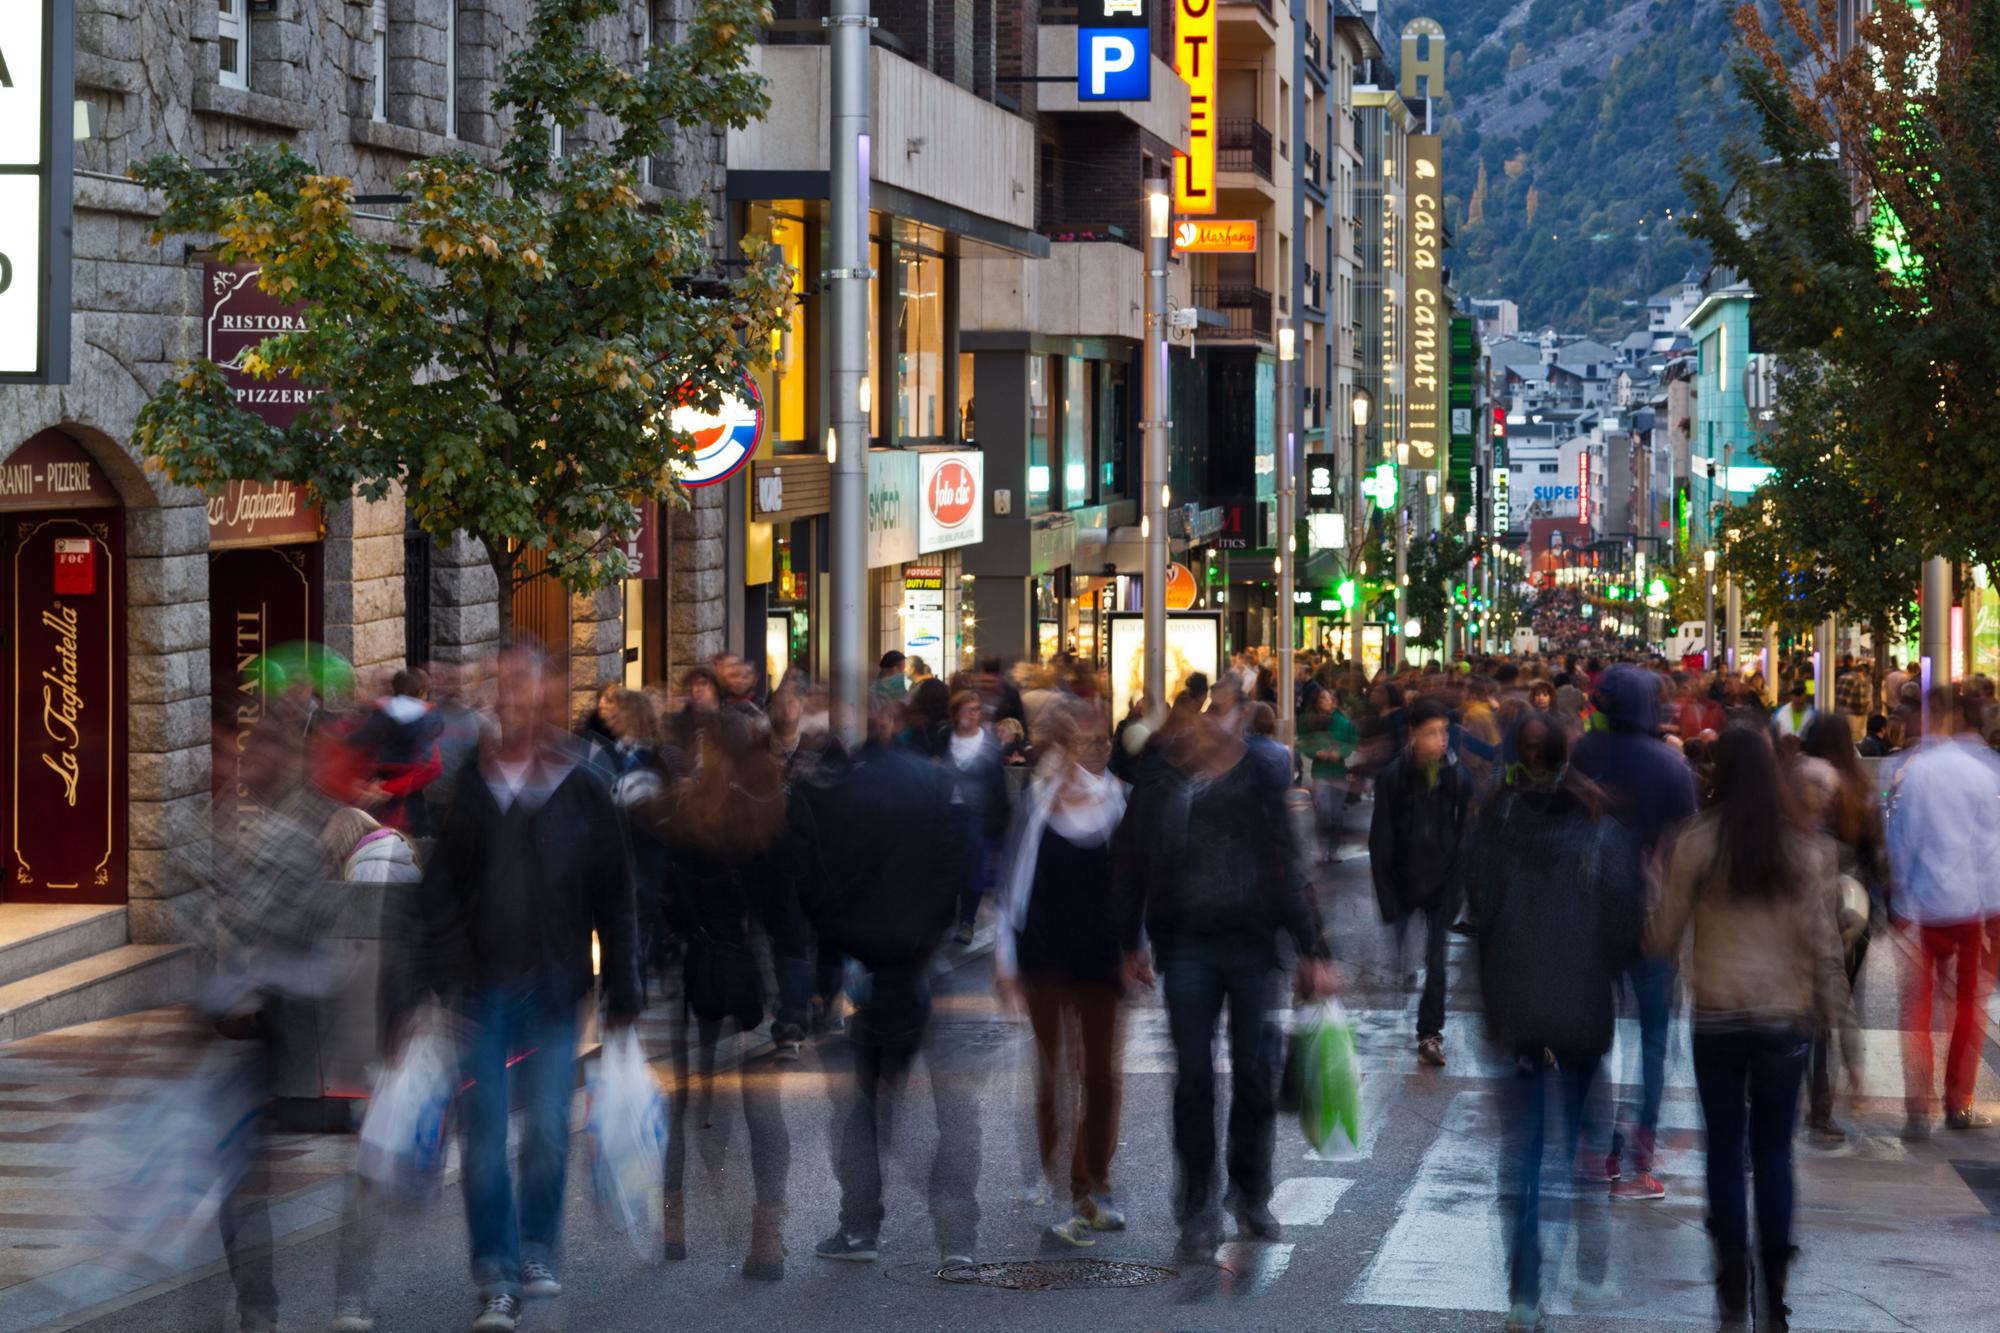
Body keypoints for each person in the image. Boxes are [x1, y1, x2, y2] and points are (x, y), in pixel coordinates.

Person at [397, 641, 642, 1333]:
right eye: (500, 687)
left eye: (522, 686)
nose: (511, 699)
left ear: (548, 695)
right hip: (480, 994)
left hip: (557, 989)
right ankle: (496, 1274)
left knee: (546, 1138)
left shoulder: (585, 786)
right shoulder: (471, 788)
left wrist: (624, 991)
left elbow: (616, 897)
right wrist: (420, 989)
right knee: (482, 1143)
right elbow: (437, 895)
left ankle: (537, 1247)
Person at [1650, 727, 1854, 1331]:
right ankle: (1775, 1283)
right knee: (1772, 1153)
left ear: (1718, 772)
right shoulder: (1806, 850)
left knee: (1723, 1149)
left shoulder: (1695, 841)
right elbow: (1825, 950)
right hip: (1783, 1022)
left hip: (1717, 1017)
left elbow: (1662, 935)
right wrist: (1846, 1034)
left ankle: (1731, 1275)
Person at [1114, 707, 1334, 1262]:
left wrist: (1312, 948)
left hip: (1253, 945)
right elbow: (1132, 861)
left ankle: (1250, 1192)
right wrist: (1127, 941)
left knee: (1255, 1075)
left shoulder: (1257, 780)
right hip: (1186, 943)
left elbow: (1285, 863)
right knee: (1193, 1078)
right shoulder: (1159, 784)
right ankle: (1196, 1206)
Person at [1465, 712, 1642, 1332]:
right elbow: (1625, 933)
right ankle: (1582, 1273)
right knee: (1576, 1146)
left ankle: (1523, 1291)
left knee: (1525, 1152)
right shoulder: (1602, 831)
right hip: (1582, 1008)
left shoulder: (1494, 822)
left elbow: (1477, 913)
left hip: (1516, 1006)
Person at [803, 695, 976, 1266]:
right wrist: (934, 928)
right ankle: (955, 1236)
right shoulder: (931, 781)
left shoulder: (841, 790)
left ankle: (860, 1226)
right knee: (945, 1106)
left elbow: (822, 885)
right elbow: (958, 859)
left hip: (867, 963)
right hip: (919, 958)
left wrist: (826, 973)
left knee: (861, 1104)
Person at [659, 706, 815, 1279]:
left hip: (697, 971)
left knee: (684, 1101)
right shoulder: (777, 811)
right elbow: (792, 909)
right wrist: (799, 995)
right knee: (762, 1109)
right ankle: (766, 1239)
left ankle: (674, 1227)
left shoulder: (685, 808)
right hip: (759, 975)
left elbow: (667, 899)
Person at [994, 706, 1129, 1247]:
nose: (1092, 752)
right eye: (1082, 743)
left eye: (1100, 743)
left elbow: (1134, 885)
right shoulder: (1037, 804)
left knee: (1100, 1077)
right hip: (1044, 957)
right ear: (1063, 746)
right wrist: (1005, 961)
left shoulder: (1120, 803)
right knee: (1053, 1075)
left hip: (1101, 957)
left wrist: (1140, 947)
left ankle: (1094, 1181)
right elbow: (1013, 888)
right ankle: (1065, 1182)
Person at [1573, 665, 1697, 1201]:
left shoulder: (1584, 755)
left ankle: (1595, 1146)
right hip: (1650, 920)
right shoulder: (1671, 768)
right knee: (1653, 1036)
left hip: (1589, 915)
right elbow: (1685, 850)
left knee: (1588, 1034)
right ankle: (1643, 1150)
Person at [1886, 687, 2000, 1136]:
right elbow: (1991, 848)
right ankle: (1959, 1099)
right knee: (1968, 1005)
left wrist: (1899, 900)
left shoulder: (1914, 771)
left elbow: (1903, 839)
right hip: (1971, 907)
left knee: (1918, 1004)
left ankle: (1919, 1100)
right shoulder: (1984, 771)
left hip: (1927, 904)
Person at [1799, 714, 1890, 1137]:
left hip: (1804, 907)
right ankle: (1823, 1104)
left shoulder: (1799, 787)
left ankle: (1796, 1087)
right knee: (1840, 1003)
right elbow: (1878, 858)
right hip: (1852, 911)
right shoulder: (1859, 792)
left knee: (1802, 1002)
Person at [1368, 697, 1473, 1067]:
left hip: (1442, 881)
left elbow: (1465, 833)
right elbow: (1380, 838)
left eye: (1444, 732)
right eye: (1431, 733)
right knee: (1404, 949)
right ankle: (1402, 984)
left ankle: (1430, 1031)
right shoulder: (1394, 777)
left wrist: (1459, 883)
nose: (1440, 740)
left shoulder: (1456, 776)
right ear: (1413, 734)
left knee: (1437, 960)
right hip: (1405, 877)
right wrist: (1387, 895)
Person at [943, 689, 1011, 946]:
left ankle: (967, 920)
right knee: (949, 866)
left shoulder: (989, 745)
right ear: (956, 713)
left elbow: (998, 785)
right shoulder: (945, 739)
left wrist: (1000, 823)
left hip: (977, 815)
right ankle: (948, 915)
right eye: (966, 709)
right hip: (948, 812)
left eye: (975, 709)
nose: (972, 715)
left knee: (973, 868)